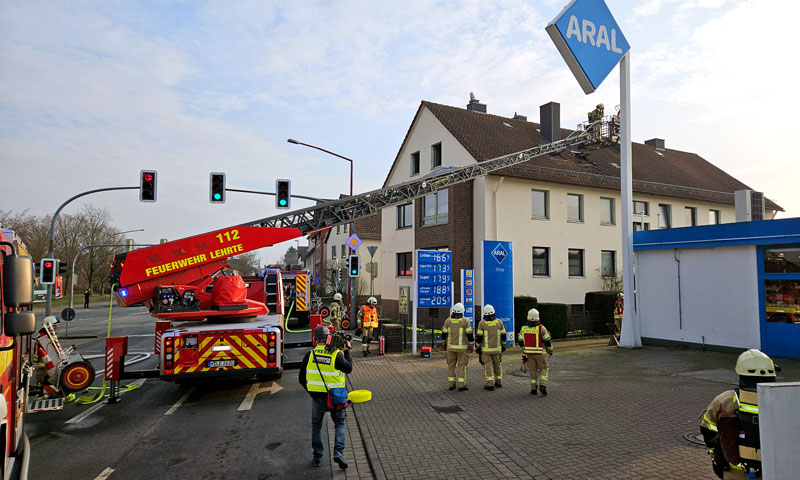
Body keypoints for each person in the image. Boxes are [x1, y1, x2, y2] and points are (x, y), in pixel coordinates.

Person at [699, 349, 776, 479]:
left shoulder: (726, 400)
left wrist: (716, 457)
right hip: (773, 471)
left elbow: (708, 431)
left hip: (734, 472)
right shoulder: (785, 399)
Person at [299, 326, 353, 470]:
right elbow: (348, 368)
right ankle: (338, 453)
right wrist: (347, 352)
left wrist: (311, 391)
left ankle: (317, 456)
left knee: (317, 426)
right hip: (336, 398)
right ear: (328, 337)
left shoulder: (309, 355)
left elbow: (301, 378)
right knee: (340, 424)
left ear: (315, 340)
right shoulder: (336, 354)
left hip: (317, 398)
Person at [518, 308, 553, 396]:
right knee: (544, 369)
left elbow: (520, 342)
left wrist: (525, 349)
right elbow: (547, 341)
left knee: (532, 370)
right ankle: (543, 385)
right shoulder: (542, 328)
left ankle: (533, 389)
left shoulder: (523, 328)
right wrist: (550, 350)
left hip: (529, 354)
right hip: (541, 354)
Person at [442, 303, 474, 391]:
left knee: (451, 366)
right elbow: (470, 335)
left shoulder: (448, 321)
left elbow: (444, 334)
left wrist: (444, 343)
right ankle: (461, 385)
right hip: (462, 349)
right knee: (461, 366)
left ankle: (451, 385)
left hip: (450, 348)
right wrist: (471, 344)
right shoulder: (465, 321)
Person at [475, 304, 506, 391]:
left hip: (486, 350)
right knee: (497, 365)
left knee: (488, 366)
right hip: (497, 349)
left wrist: (477, 347)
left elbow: (479, 337)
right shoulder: (499, 322)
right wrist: (503, 345)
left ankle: (490, 384)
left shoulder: (482, 323)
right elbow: (503, 335)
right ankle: (499, 382)